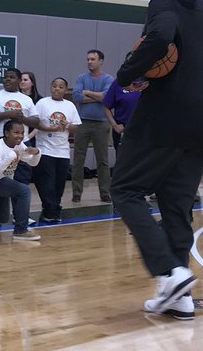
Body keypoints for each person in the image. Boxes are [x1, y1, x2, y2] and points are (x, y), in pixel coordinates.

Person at [110, 0, 203, 321]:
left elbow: (160, 38)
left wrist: (126, 73)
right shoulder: (199, 4)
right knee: (175, 205)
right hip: (201, 121)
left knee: (124, 188)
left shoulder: (162, 0)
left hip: (165, 117)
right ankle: (178, 296)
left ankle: (169, 272)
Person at [0, 119, 42, 241]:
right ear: (7, 133)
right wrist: (10, 157)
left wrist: (37, 153)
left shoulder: (19, 145)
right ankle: (21, 230)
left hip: (2, 178)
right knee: (24, 191)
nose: (20, 136)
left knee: (2, 217)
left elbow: (33, 163)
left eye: (22, 133)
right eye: (16, 132)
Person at [33, 77, 81, 223]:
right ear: (50, 88)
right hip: (45, 149)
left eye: (61, 87)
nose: (57, 89)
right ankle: (50, 211)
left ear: (65, 90)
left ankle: (54, 208)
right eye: (54, 86)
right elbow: (35, 123)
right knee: (47, 182)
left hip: (63, 150)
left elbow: (76, 128)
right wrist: (49, 128)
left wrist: (67, 125)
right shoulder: (42, 103)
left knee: (59, 183)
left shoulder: (70, 106)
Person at [72, 50, 115, 203]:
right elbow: (76, 96)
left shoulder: (108, 78)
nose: (89, 62)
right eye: (88, 59)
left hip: (102, 123)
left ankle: (105, 193)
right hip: (83, 122)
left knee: (102, 160)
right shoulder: (81, 77)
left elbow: (107, 97)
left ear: (101, 61)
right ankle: (76, 193)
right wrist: (98, 97)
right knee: (78, 159)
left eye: (93, 59)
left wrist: (88, 93)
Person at [102, 77, 142, 152]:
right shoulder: (119, 81)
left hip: (142, 126)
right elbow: (106, 106)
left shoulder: (148, 78)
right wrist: (115, 125)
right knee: (123, 156)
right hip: (122, 126)